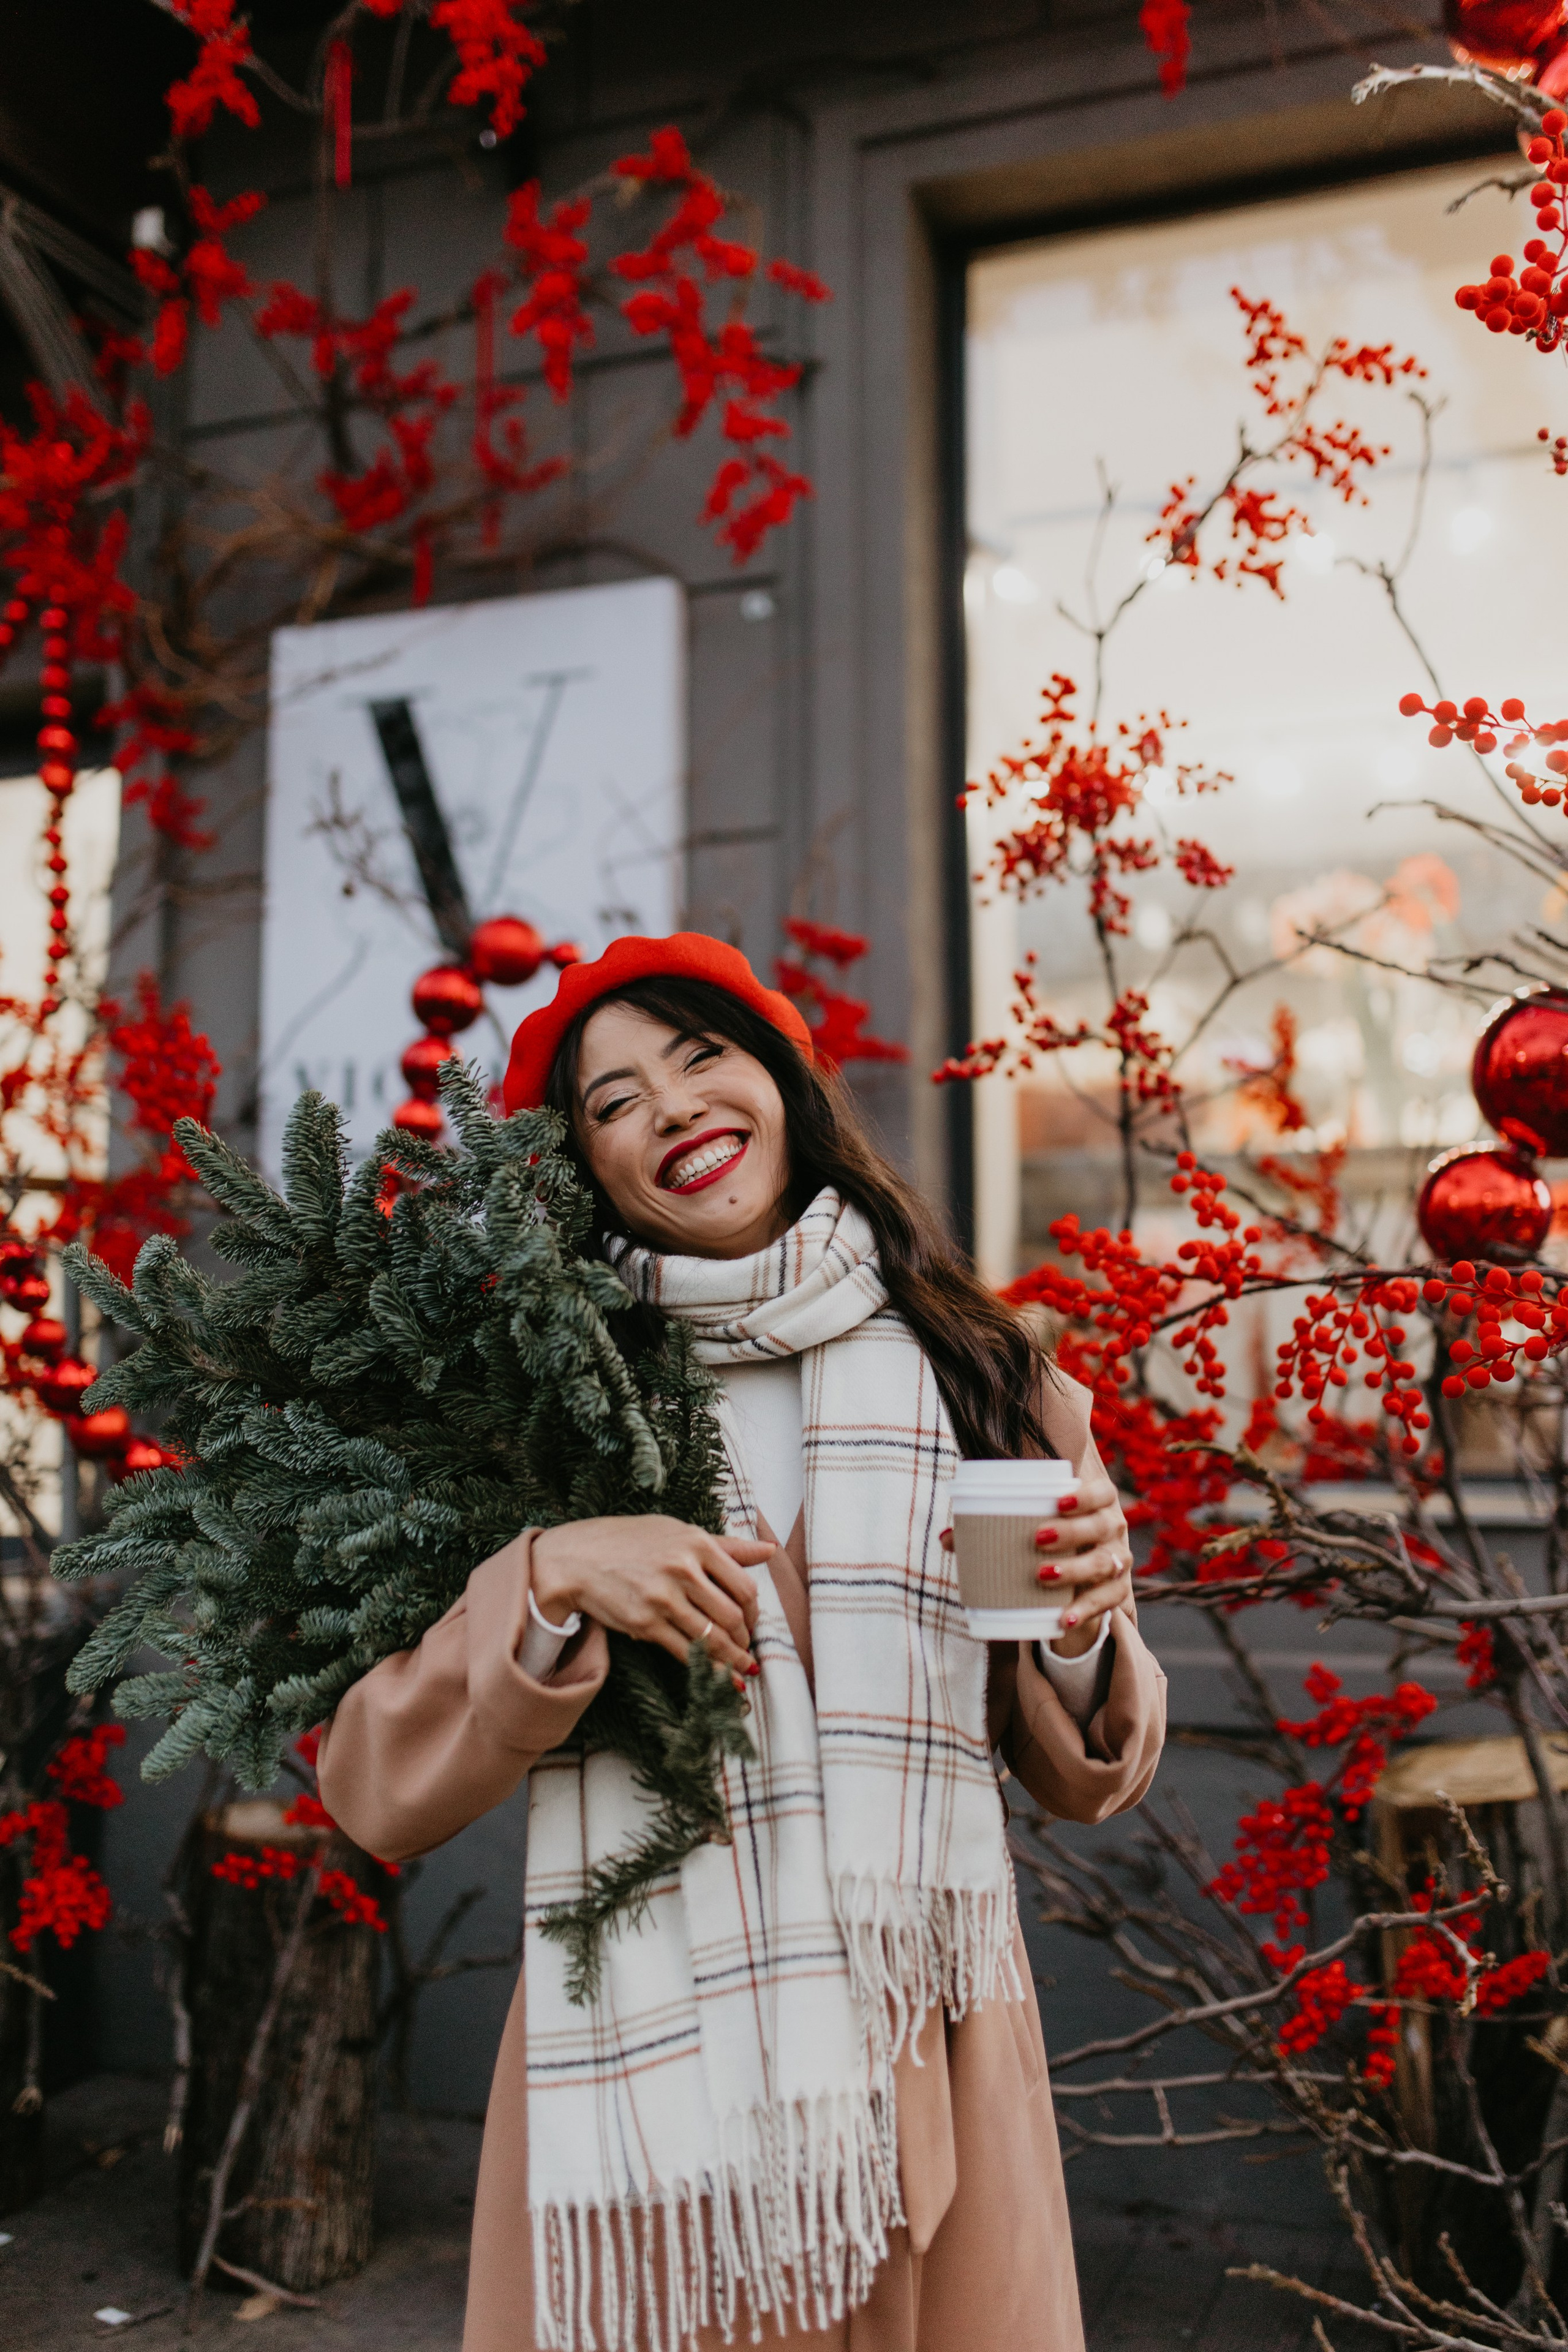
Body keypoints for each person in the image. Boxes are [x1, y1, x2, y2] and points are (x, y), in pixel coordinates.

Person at [319, 931, 1166, 2352]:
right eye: (613, 1101)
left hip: (926, 2028)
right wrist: (552, 1568)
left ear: (779, 1077)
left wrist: (1082, 1631)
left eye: (701, 1054)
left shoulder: (984, 1373)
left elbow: (1077, 1770)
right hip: (651, 2045)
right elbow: (371, 1782)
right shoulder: (545, 1405)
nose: (672, 1107)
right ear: (586, 1168)